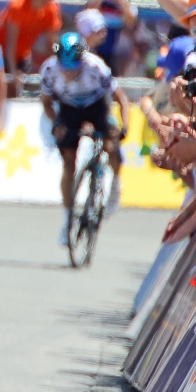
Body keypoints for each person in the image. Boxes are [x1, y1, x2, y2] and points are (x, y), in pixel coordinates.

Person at [40, 31, 130, 244]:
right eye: (66, 68)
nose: (69, 73)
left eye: (74, 67)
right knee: (69, 163)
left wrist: (124, 126)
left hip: (97, 107)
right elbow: (45, 102)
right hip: (69, 109)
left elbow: (122, 99)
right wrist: (57, 123)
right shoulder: (50, 69)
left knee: (110, 146)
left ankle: (115, 185)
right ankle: (67, 220)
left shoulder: (96, 67)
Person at [0, 0, 62, 77]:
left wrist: (60, 61)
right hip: (0, 56)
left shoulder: (51, 8)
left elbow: (52, 44)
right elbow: (10, 44)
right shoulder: (18, 6)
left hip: (23, 57)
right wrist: (13, 73)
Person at [85, 0, 137, 74]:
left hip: (115, 49)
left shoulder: (126, 3)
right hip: (95, 45)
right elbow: (87, 14)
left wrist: (122, 3)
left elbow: (131, 22)